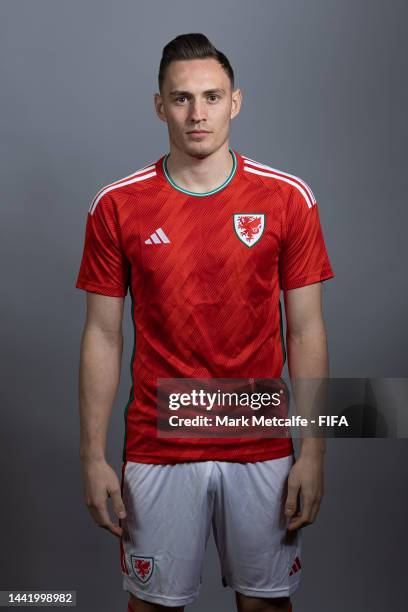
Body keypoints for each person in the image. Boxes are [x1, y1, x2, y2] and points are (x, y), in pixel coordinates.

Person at [76, 33, 335, 612]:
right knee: (154, 607)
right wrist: (93, 457)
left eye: (212, 97)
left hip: (261, 440)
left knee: (265, 606)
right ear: (159, 105)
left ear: (235, 102)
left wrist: (313, 452)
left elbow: (307, 331)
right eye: (182, 98)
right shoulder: (117, 205)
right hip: (159, 443)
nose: (198, 114)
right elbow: (102, 334)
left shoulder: (287, 198)